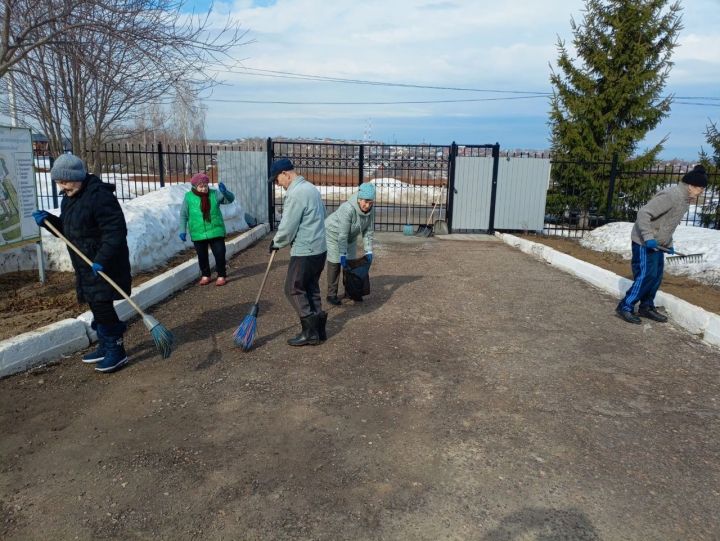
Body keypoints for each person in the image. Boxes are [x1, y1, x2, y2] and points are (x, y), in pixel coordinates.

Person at [32, 154, 132, 373]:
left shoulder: (99, 196)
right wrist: (48, 220)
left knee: (102, 306)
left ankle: (117, 350)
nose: (62, 186)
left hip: (104, 263)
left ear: (78, 177)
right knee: (95, 305)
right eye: (58, 182)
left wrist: (102, 261)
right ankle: (106, 345)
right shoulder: (70, 197)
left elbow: (115, 231)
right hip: (84, 263)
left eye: (65, 181)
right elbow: (68, 231)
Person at [616, 165, 708, 324]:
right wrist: (648, 237)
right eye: (700, 188)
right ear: (691, 186)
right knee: (646, 275)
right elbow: (644, 213)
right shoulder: (672, 196)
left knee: (656, 276)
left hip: (658, 243)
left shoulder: (685, 201)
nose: (702, 192)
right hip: (644, 241)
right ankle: (625, 306)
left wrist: (668, 243)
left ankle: (646, 306)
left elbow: (667, 224)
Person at [268, 158, 328, 346]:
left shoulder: (296, 194)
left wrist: (276, 242)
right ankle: (319, 330)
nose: (277, 184)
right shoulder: (310, 188)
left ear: (286, 173)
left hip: (305, 250)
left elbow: (287, 226)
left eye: (277, 179)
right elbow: (321, 215)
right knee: (310, 287)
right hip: (319, 248)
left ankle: (310, 332)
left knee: (293, 289)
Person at [179, 173, 235, 286]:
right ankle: (206, 275)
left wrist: (225, 192)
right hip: (198, 232)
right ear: (195, 186)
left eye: (205, 185)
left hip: (216, 230)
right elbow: (183, 215)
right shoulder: (188, 197)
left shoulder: (214, 194)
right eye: (201, 186)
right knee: (202, 256)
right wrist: (182, 230)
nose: (204, 188)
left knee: (220, 254)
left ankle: (221, 275)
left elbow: (230, 200)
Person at [324, 182, 376, 305]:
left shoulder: (371, 211)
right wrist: (342, 254)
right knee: (335, 262)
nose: (367, 205)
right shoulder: (347, 209)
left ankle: (350, 291)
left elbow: (368, 231)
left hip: (350, 237)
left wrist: (368, 250)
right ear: (359, 198)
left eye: (370, 202)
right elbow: (342, 234)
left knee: (351, 264)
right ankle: (331, 295)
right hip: (334, 234)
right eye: (365, 201)